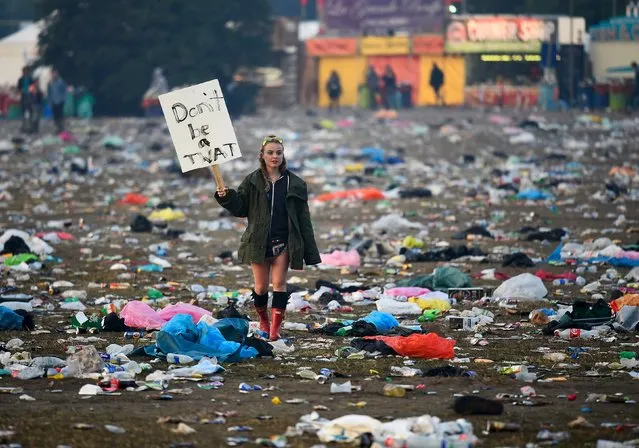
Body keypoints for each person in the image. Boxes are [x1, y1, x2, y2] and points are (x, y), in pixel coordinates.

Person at [215, 135, 321, 340]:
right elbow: (241, 208)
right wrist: (226, 196)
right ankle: (263, 320)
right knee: (261, 287)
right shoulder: (253, 180)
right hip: (258, 241)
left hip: (284, 242)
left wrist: (310, 250)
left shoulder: (295, 183)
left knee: (280, 284)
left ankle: (275, 330)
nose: (275, 156)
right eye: (270, 152)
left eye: (279, 153)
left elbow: (304, 219)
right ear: (262, 155)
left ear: (283, 155)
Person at [47, 68, 68, 133]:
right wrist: (50, 102)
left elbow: (64, 91)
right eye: (52, 73)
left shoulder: (60, 82)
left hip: (60, 101)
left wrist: (63, 99)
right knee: (55, 116)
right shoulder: (50, 83)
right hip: (53, 102)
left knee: (60, 115)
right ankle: (57, 128)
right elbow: (49, 93)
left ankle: (62, 128)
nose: (54, 75)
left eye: (55, 73)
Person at [17, 67, 33, 133]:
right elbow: (18, 88)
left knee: (30, 113)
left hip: (29, 97)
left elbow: (32, 87)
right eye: (24, 71)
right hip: (23, 97)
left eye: (27, 71)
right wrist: (21, 91)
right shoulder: (20, 79)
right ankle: (23, 127)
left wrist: (30, 91)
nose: (25, 72)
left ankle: (30, 127)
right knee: (23, 113)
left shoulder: (30, 79)